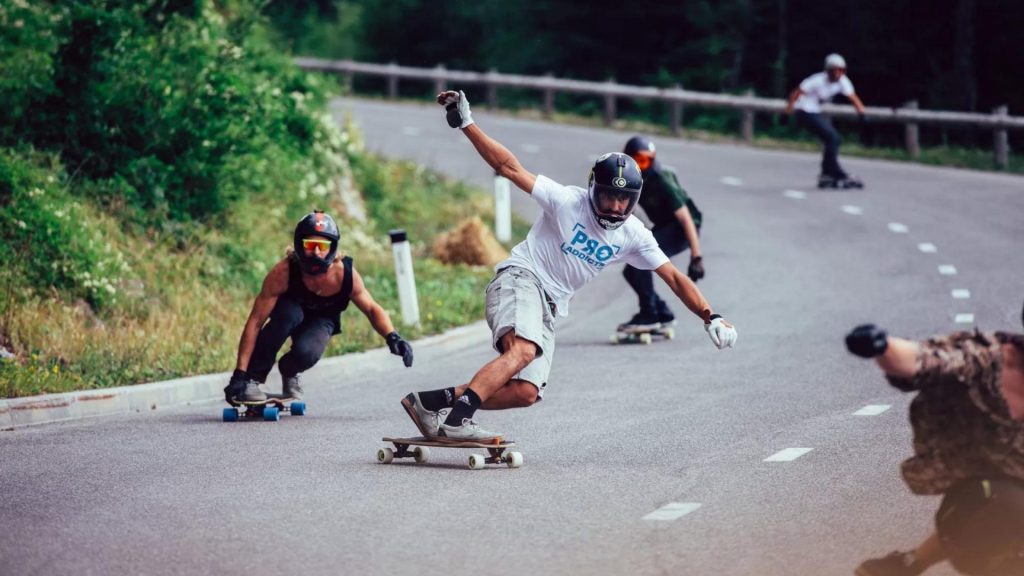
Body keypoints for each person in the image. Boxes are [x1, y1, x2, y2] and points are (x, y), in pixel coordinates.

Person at [399, 90, 738, 443]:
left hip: (549, 304)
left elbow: (673, 277)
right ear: (594, 190)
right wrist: (466, 123)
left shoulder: (634, 234)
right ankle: (458, 420)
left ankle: (429, 403)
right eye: (609, 196)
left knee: (525, 391)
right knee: (523, 351)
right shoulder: (567, 201)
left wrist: (709, 315)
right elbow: (508, 167)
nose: (615, 207)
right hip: (521, 279)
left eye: (624, 200)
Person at [845, 303, 1024, 576]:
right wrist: (881, 346)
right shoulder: (986, 357)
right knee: (1007, 505)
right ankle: (913, 563)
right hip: (982, 493)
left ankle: (912, 561)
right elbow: (923, 360)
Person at [223, 210, 414, 403]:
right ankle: (252, 380)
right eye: (310, 245)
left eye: (322, 246)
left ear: (332, 247)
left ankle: (290, 372)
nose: (315, 252)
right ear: (299, 244)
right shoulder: (283, 272)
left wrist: (393, 337)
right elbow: (255, 322)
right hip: (290, 312)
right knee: (290, 314)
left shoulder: (345, 275)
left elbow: (372, 309)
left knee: (308, 353)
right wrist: (240, 374)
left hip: (323, 319)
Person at [618, 135, 705, 332]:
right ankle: (662, 312)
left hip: (681, 229)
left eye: (646, 160)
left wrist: (696, 256)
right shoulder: (629, 176)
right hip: (664, 226)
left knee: (641, 260)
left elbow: (686, 219)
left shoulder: (661, 178)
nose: (643, 165)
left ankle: (649, 314)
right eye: (638, 160)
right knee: (630, 270)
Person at [784, 53, 868, 188]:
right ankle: (834, 172)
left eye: (840, 71)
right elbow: (797, 92)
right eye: (834, 71)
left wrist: (862, 113)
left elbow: (853, 97)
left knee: (833, 139)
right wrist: (788, 111)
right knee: (832, 137)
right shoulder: (817, 80)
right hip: (804, 111)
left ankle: (826, 172)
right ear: (827, 71)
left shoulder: (843, 81)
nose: (837, 74)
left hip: (814, 111)